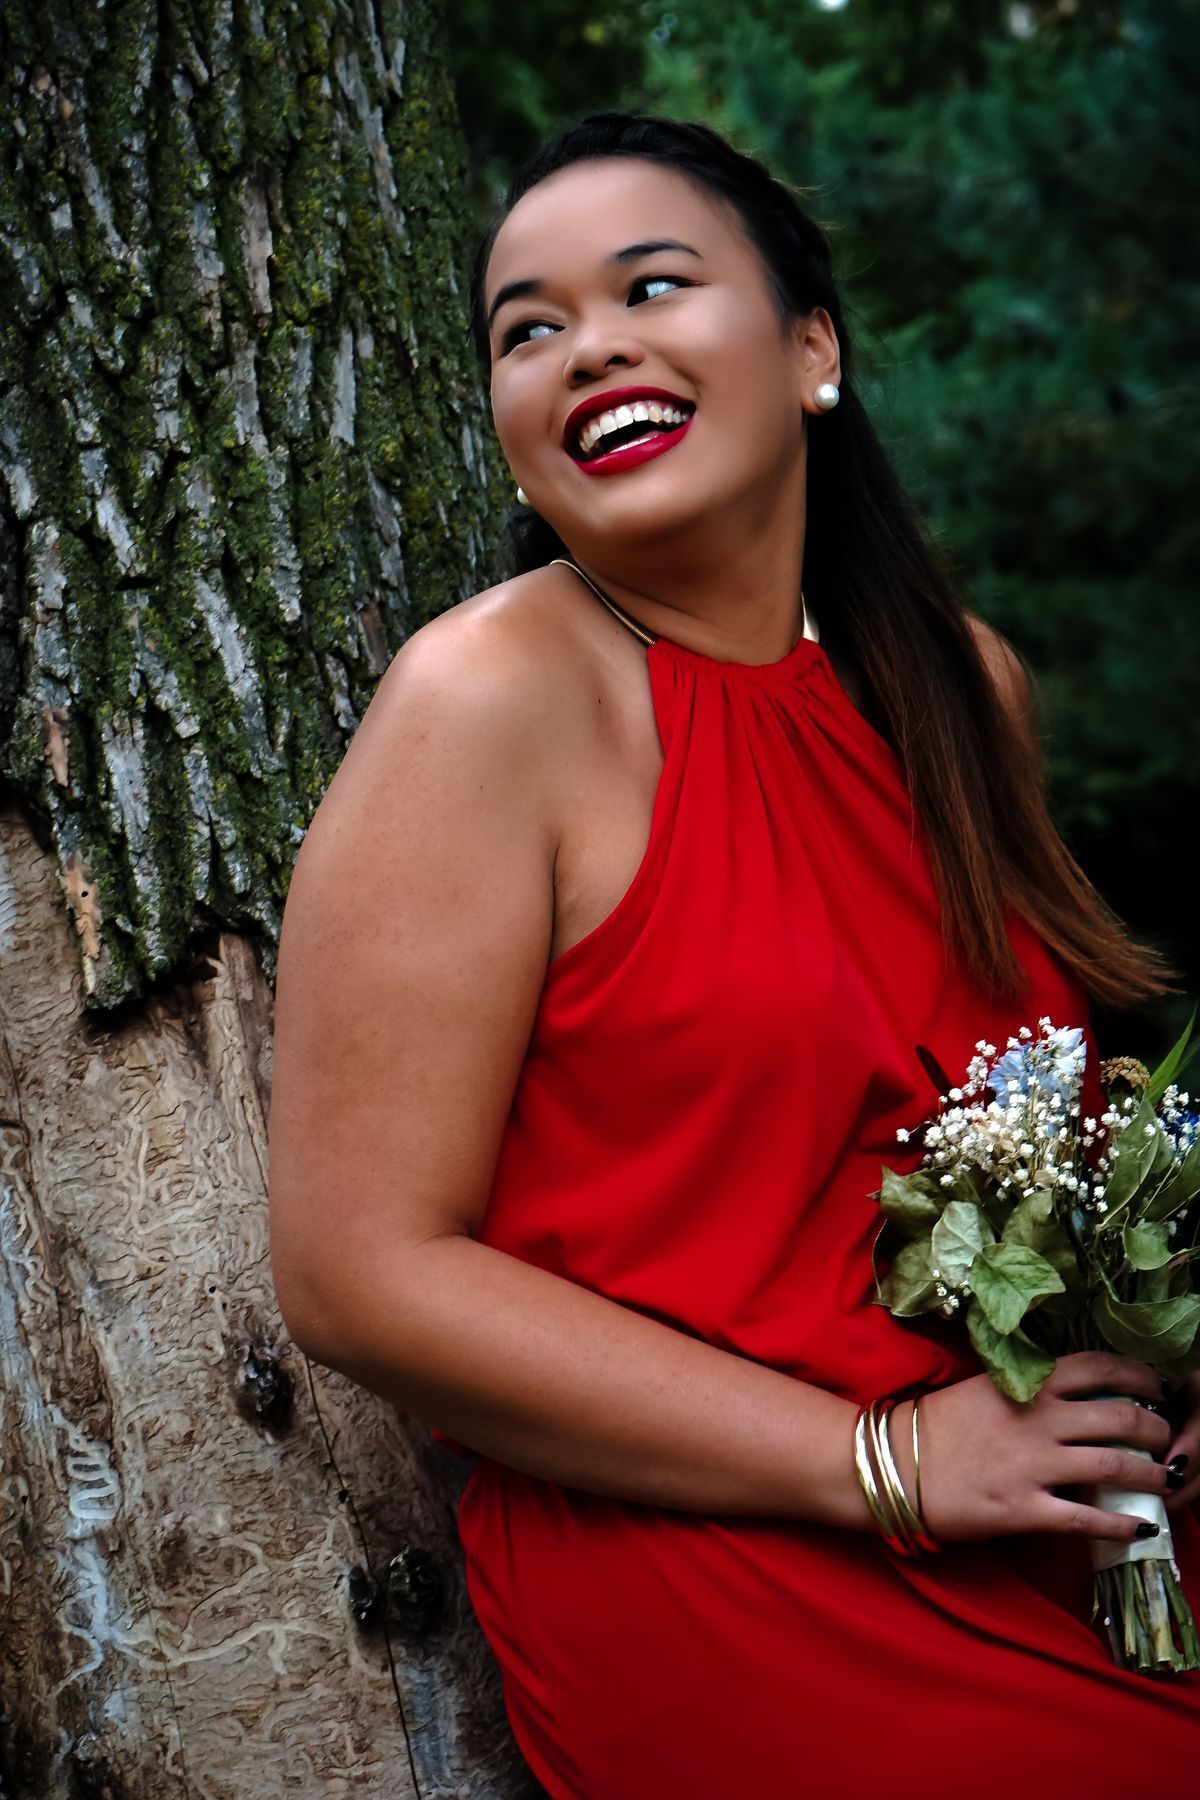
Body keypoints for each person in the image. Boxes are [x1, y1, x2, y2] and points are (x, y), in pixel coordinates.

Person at [267, 113, 1200, 1796]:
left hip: (1056, 1501)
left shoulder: (962, 687)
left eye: (651, 287)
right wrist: (884, 1461)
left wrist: (1150, 1368)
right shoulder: (489, 701)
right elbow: (359, 1272)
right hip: (727, 1565)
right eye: (529, 329)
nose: (588, 346)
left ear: (814, 350)